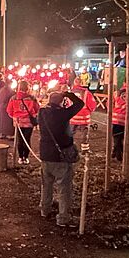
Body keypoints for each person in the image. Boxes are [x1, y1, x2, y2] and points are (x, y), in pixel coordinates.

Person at [37, 91, 85, 227]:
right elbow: (80, 104)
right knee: (64, 187)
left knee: (46, 184)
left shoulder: (42, 113)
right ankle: (63, 217)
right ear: (61, 102)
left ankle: (44, 210)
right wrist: (68, 94)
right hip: (60, 156)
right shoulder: (63, 114)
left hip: (45, 154)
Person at [7, 81, 39, 166]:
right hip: (29, 123)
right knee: (27, 140)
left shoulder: (13, 98)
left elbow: (9, 110)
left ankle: (20, 157)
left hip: (18, 122)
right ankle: (26, 157)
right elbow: (37, 109)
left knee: (20, 140)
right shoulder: (32, 98)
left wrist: (14, 117)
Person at [69, 77, 98, 143]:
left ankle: (69, 148)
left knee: (70, 134)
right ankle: (84, 149)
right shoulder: (86, 93)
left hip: (73, 116)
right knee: (84, 134)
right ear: (81, 83)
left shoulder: (70, 92)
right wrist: (90, 111)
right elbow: (92, 104)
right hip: (84, 117)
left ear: (74, 83)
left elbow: (66, 104)